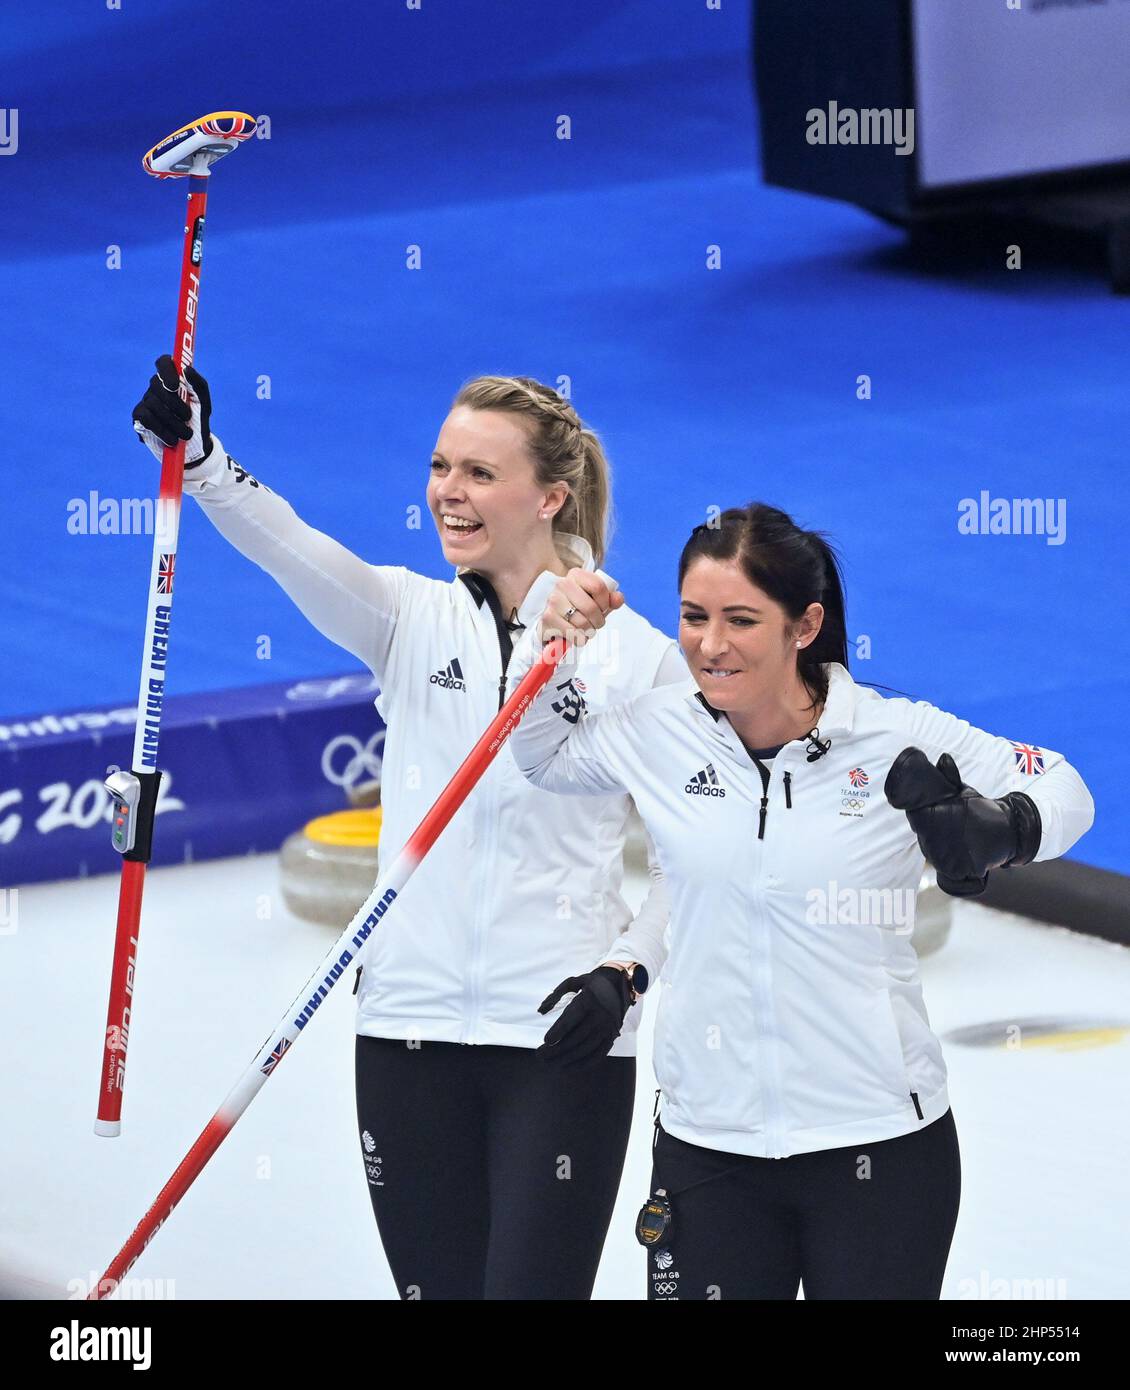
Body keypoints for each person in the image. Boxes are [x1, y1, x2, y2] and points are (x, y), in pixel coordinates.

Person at [131, 357, 687, 1299]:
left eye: (478, 473)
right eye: (441, 466)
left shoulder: (640, 658)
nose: (448, 493)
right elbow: (288, 546)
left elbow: (692, 851)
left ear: (551, 496)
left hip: (560, 1040)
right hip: (408, 1036)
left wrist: (629, 970)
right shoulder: (408, 618)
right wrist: (203, 459)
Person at [509, 502, 1095, 1301]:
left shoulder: (893, 736)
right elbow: (540, 755)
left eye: (741, 620)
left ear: (804, 624)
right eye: (693, 616)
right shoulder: (657, 731)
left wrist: (1001, 829)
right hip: (708, 1150)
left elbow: (1062, 782)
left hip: (880, 1150)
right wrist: (553, 644)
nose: (710, 646)